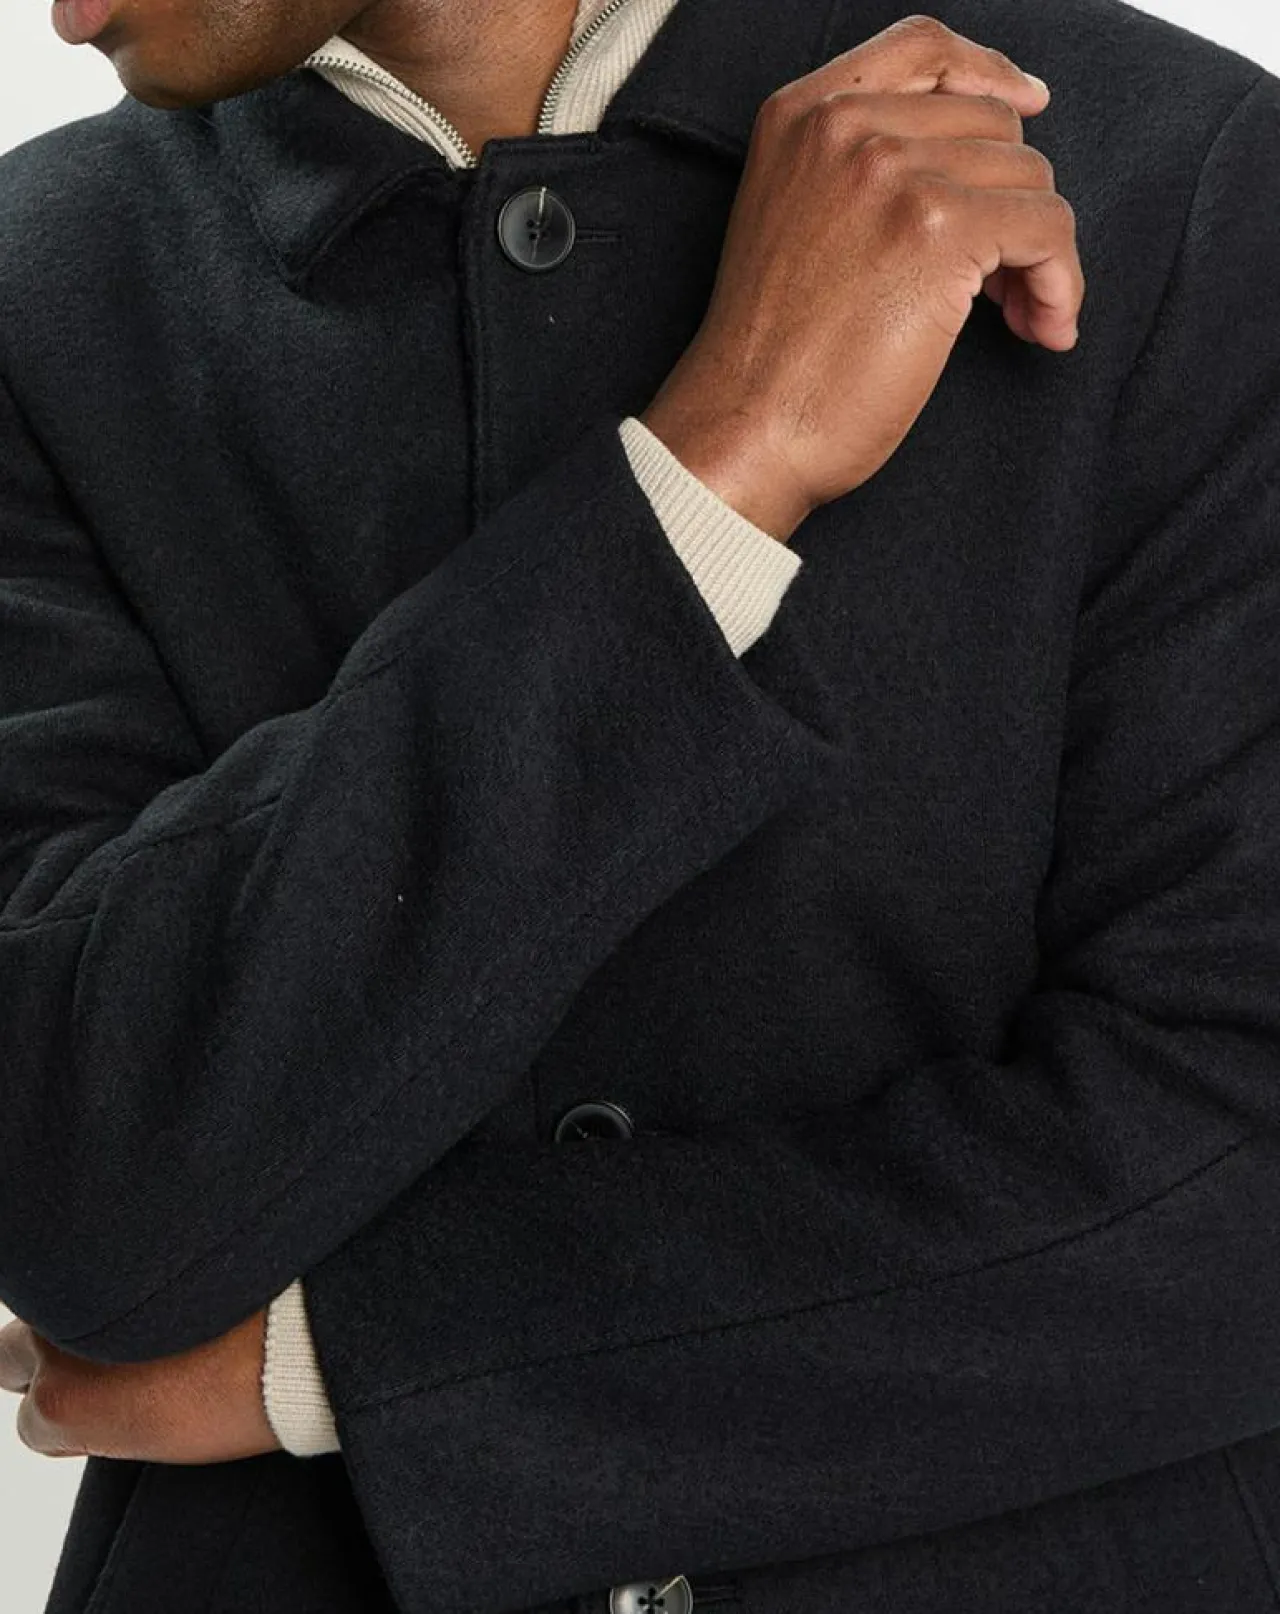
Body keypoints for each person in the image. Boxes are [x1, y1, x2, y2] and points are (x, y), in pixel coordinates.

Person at [0, 0, 1277, 1609]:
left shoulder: (1168, 178)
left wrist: (364, 1356)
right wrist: (720, 460)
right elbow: (81, 1181)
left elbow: (1237, 1171)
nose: (62, 13)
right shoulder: (43, 288)